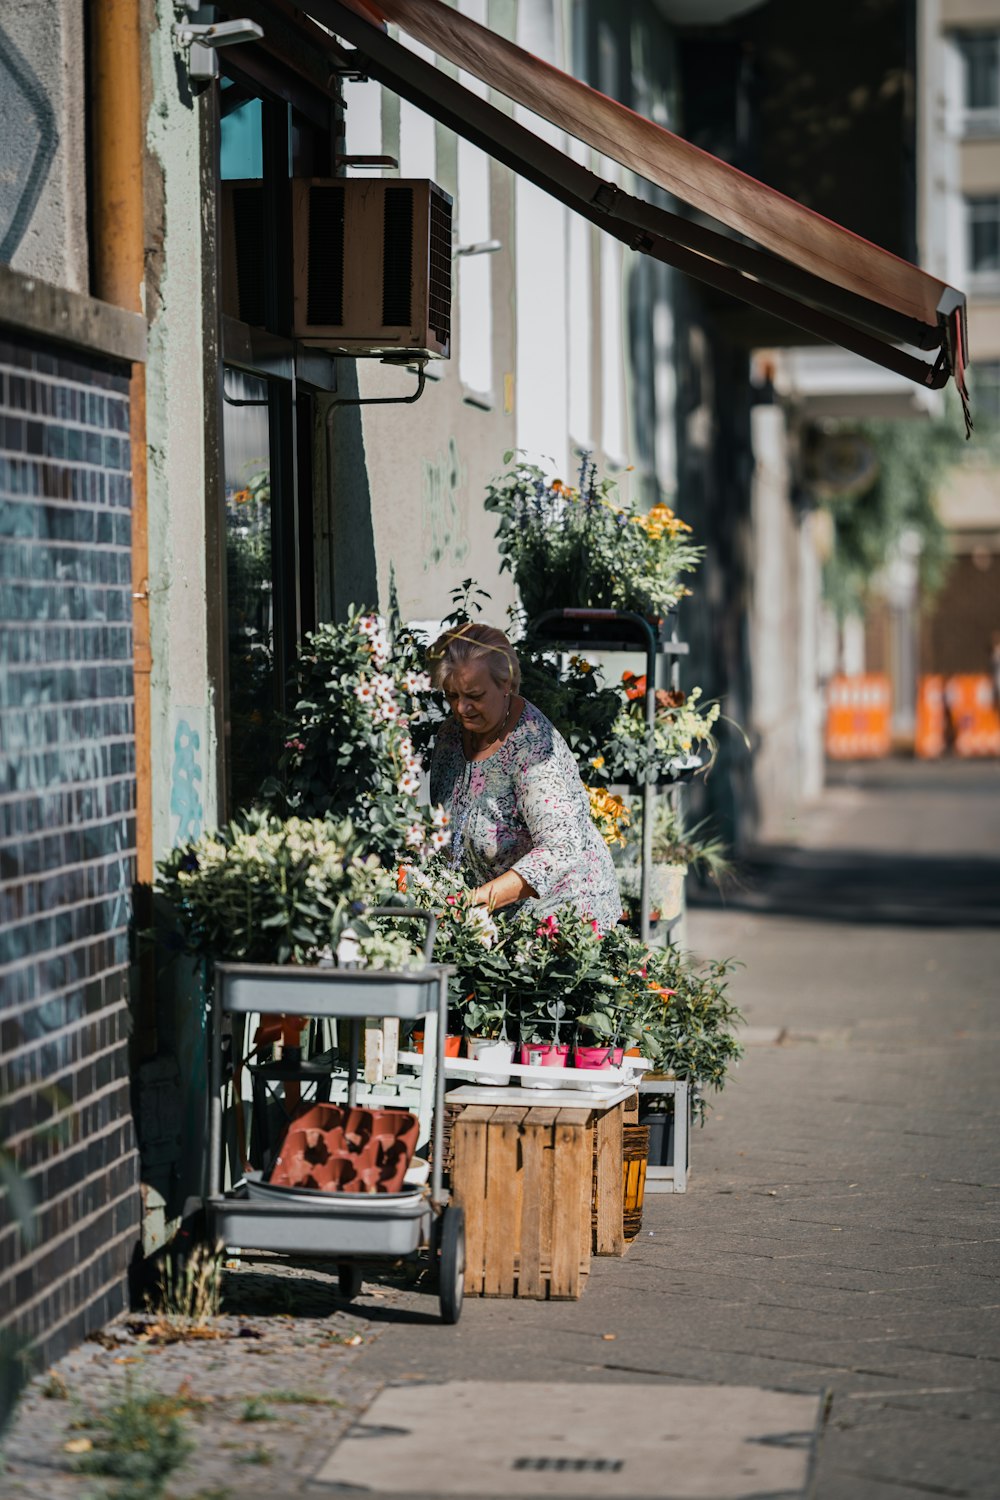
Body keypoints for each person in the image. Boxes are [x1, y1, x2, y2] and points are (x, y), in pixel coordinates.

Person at [427, 622, 622, 933]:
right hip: (490, 919)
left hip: (563, 921)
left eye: (474, 695)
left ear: (506, 684)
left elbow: (560, 850)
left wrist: (472, 902)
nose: (462, 708)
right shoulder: (450, 736)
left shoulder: (532, 745)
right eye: (452, 695)